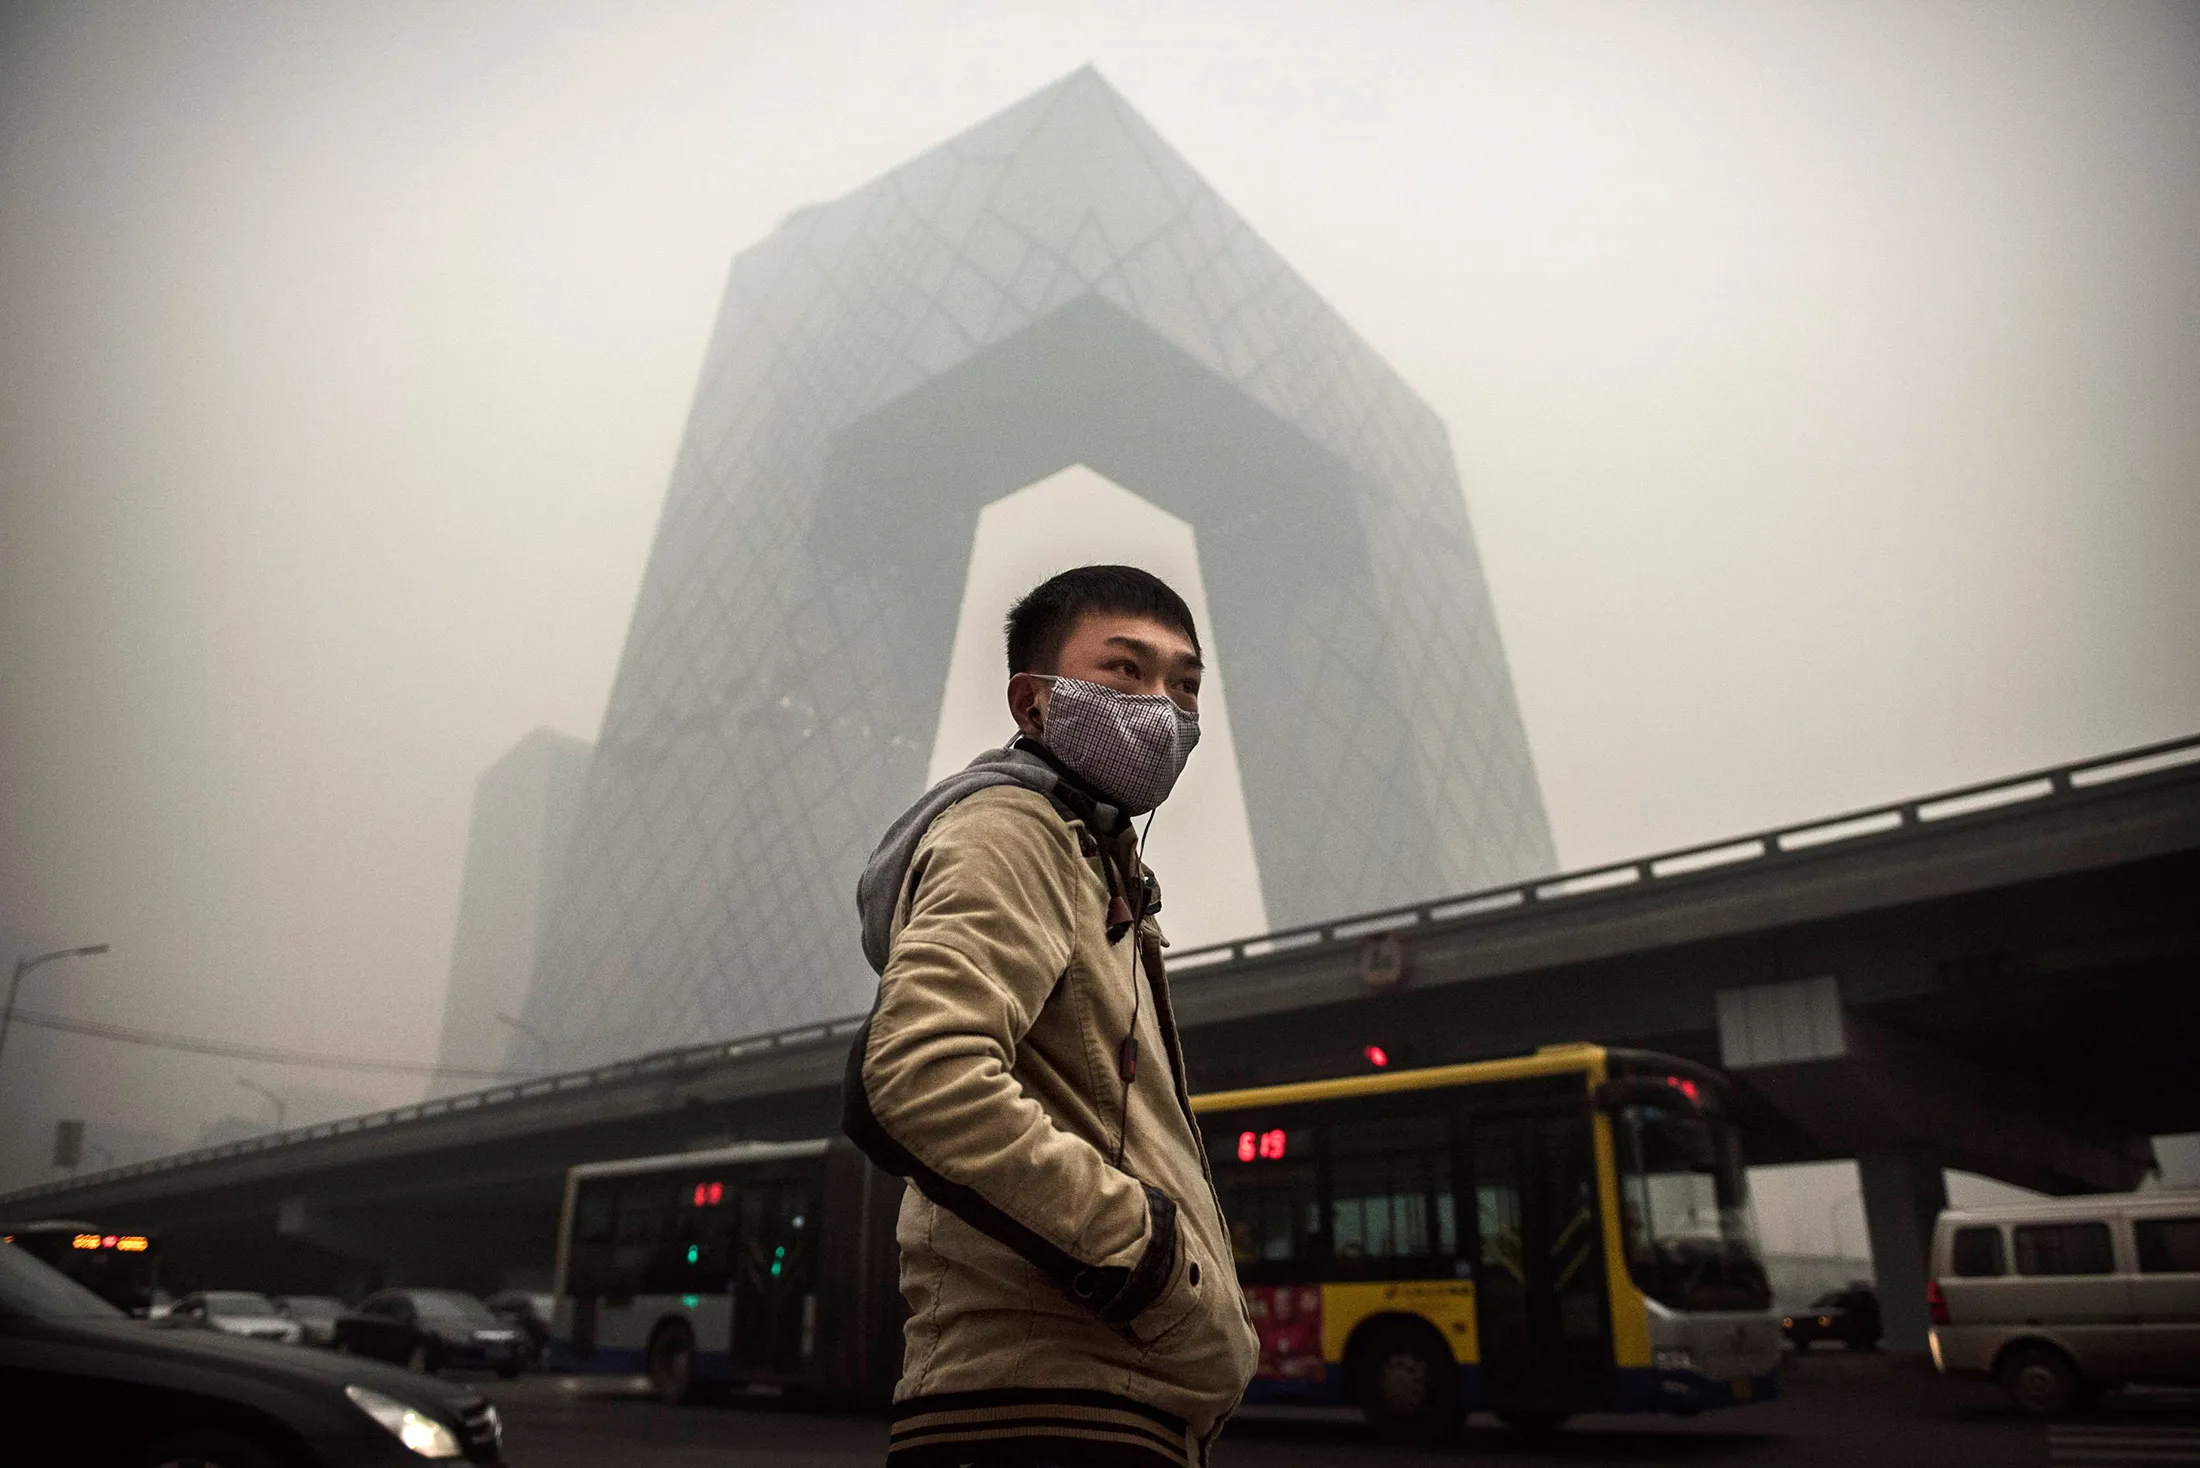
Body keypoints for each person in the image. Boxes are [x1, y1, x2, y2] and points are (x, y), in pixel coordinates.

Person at [844, 565, 1259, 1468]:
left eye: (1185, 684)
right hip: (1045, 1412)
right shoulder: (1013, 831)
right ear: (1033, 705)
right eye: (1125, 670)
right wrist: (1151, 1262)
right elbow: (917, 1077)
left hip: (1097, 1403)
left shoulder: (1092, 862)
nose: (1164, 706)